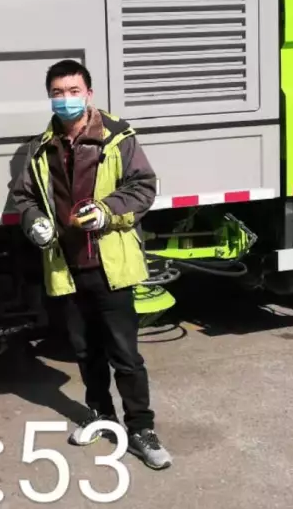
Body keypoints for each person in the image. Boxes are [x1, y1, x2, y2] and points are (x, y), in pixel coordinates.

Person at [10, 59, 172, 470]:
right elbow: (24, 197)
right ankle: (101, 415)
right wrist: (34, 222)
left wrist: (106, 211)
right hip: (66, 267)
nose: (66, 99)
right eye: (58, 93)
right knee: (85, 352)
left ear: (89, 94)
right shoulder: (40, 148)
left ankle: (142, 429)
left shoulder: (117, 137)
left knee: (125, 355)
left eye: (73, 91)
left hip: (110, 265)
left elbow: (143, 186)